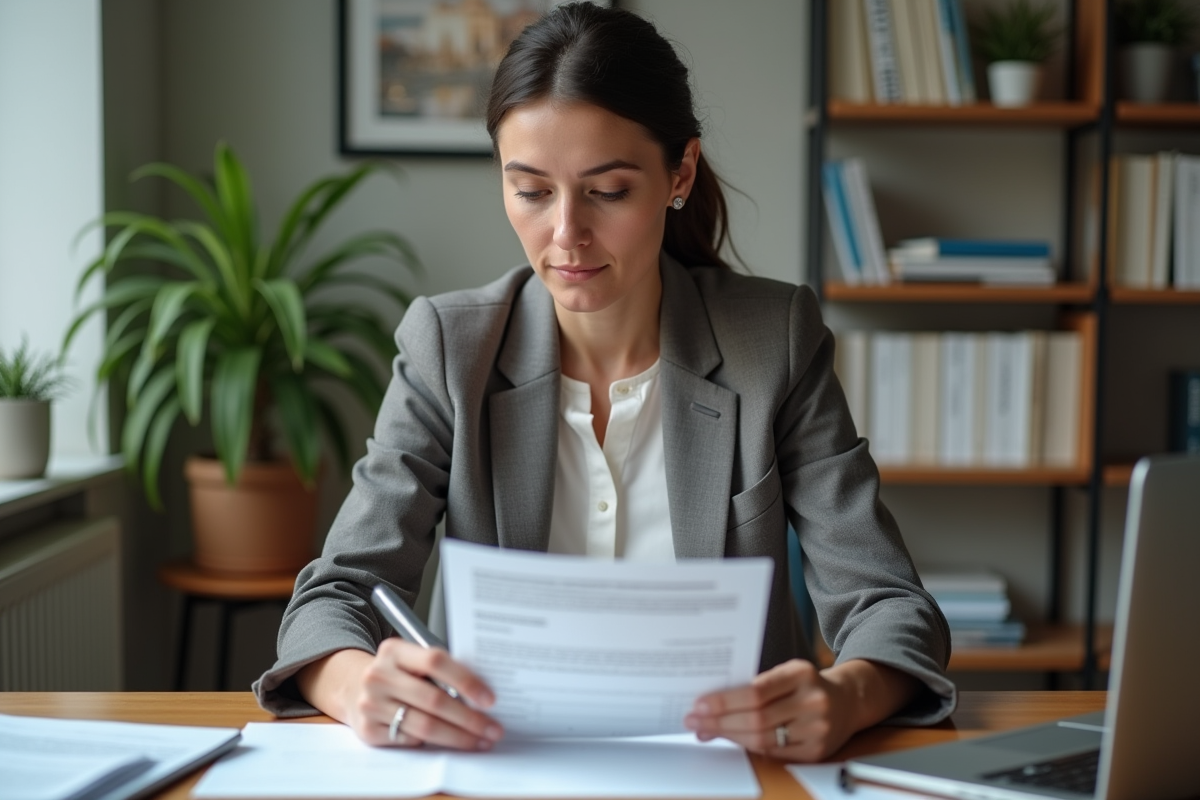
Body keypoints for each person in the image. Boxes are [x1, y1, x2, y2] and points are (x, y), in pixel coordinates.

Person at [254, 2, 955, 763]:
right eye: (530, 190)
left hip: (728, 771)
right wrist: (359, 685)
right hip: (498, 767)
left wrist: (846, 695)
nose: (566, 235)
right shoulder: (449, 349)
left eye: (608, 191)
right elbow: (331, 599)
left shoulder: (772, 341)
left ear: (678, 173)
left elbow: (889, 602)